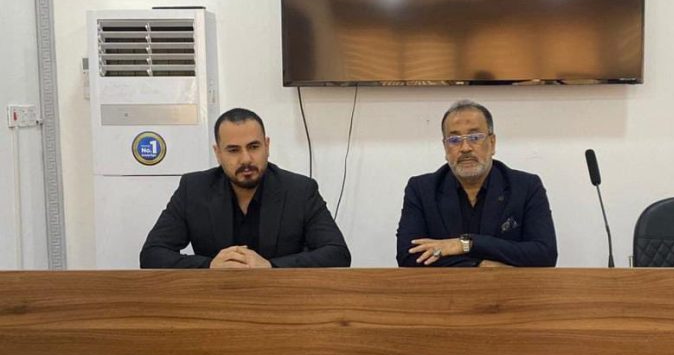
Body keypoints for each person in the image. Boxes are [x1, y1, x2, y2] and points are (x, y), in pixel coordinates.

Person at [140, 108, 351, 268]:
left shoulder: (300, 190)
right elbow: (152, 254)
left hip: (282, 300)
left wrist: (270, 267)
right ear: (218, 153)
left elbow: (337, 253)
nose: (246, 159)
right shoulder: (193, 189)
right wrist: (210, 266)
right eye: (233, 150)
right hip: (215, 299)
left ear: (267, 146)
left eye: (254, 147)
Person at [396, 100, 557, 267]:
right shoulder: (422, 189)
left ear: (492, 143)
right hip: (446, 285)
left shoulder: (526, 187)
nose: (465, 148)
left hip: (509, 285)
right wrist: (478, 265)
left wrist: (467, 244)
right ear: (445, 147)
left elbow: (545, 254)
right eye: (454, 139)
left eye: (475, 137)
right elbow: (408, 256)